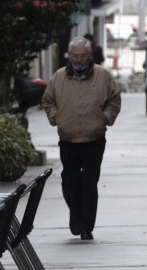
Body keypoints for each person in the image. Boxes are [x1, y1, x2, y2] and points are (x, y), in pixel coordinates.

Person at [41, 37, 121, 241]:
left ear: (89, 55)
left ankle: (86, 226)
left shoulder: (103, 75)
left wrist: (105, 118)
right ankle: (76, 216)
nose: (78, 59)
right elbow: (48, 100)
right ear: (70, 56)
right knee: (69, 182)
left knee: (89, 182)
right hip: (68, 138)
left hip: (94, 137)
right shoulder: (59, 77)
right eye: (75, 56)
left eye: (82, 56)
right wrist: (55, 118)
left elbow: (114, 99)